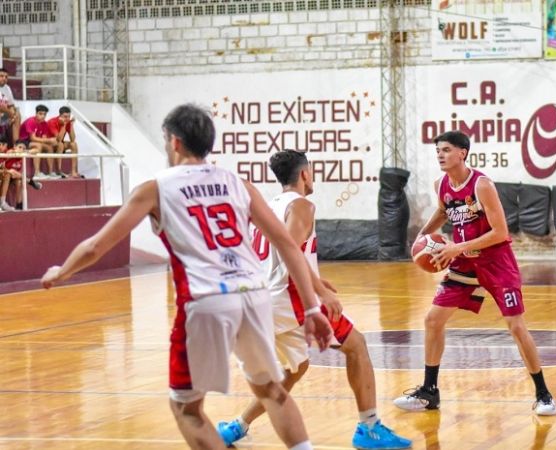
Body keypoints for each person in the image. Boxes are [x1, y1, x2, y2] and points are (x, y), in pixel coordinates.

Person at [41, 104, 334, 450]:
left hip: (206, 299)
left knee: (186, 408)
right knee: (272, 391)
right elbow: (286, 243)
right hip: (254, 294)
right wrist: (313, 309)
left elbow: (94, 247)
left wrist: (62, 272)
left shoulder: (154, 189)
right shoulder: (238, 184)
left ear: (175, 142)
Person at [217, 150, 412, 450]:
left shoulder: (270, 205)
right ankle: (369, 427)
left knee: (295, 369)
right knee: (357, 345)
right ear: (305, 174)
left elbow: (283, 252)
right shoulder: (302, 205)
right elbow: (289, 250)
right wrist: (319, 293)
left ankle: (236, 426)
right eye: (312, 171)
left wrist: (317, 280)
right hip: (287, 298)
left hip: (260, 299)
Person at [392, 131, 556, 416]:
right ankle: (430, 391)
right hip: (465, 264)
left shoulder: (482, 185)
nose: (441, 155)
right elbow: (444, 211)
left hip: (496, 262)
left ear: (462, 153)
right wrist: (421, 235)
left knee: (516, 327)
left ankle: (543, 394)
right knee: (433, 320)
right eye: (438, 151)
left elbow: (500, 232)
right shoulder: (441, 184)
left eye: (446, 150)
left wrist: (458, 247)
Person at [0, 139, 42, 211]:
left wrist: (26, 151)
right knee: (10, 172)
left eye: (23, 148)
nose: (21, 149)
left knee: (19, 181)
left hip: (14, 177)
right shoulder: (9, 152)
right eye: (20, 147)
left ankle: (19, 204)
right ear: (14, 146)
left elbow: (37, 150)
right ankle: (30, 181)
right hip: (5, 176)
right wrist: (14, 151)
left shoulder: (21, 154)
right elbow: (9, 151)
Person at [19, 104, 56, 179]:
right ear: (36, 113)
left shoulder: (44, 123)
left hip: (33, 142)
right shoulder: (31, 121)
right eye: (40, 114)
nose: (43, 116)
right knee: (38, 145)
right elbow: (32, 138)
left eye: (44, 114)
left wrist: (51, 141)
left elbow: (44, 138)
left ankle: (50, 172)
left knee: (49, 147)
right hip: (23, 142)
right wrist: (48, 140)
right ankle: (37, 173)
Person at [47, 106, 83, 178]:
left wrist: (71, 125)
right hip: (50, 144)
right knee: (60, 144)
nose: (67, 119)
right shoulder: (52, 121)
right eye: (65, 116)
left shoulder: (68, 122)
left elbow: (72, 139)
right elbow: (59, 139)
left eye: (68, 117)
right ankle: (59, 170)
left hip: (59, 143)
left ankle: (73, 171)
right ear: (60, 116)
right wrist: (64, 125)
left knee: (73, 144)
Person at [0, 67, 20, 145]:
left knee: (17, 113)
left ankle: (16, 143)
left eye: (6, 77)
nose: (4, 78)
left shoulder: (7, 88)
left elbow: (11, 105)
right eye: (1, 76)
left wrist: (13, 114)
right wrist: (10, 113)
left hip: (4, 116)